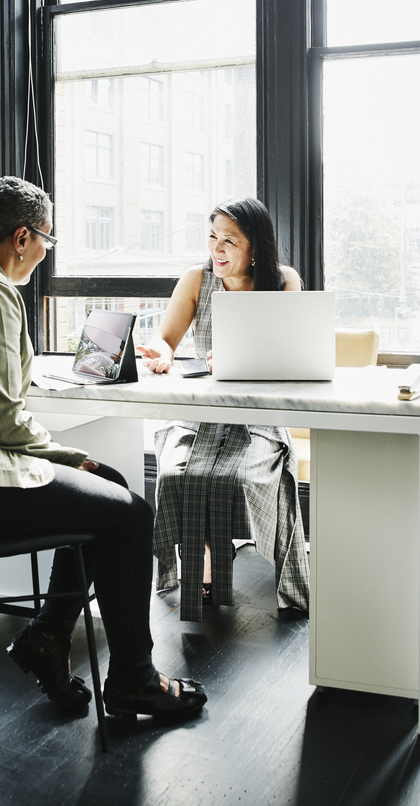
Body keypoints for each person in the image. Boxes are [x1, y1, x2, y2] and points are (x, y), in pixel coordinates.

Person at [0, 176, 205, 719]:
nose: (44, 255)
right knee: (129, 515)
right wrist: (66, 456)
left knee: (113, 488)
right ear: (23, 237)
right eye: (47, 243)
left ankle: (50, 637)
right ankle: (133, 680)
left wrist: (60, 456)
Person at [139, 197, 311, 623]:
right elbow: (167, 338)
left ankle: (222, 568)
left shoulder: (283, 281)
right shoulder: (197, 279)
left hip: (257, 415)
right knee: (179, 473)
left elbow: (292, 352)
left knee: (236, 476)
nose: (217, 248)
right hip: (202, 411)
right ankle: (202, 571)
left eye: (230, 241)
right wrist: (159, 353)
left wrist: (240, 355)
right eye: (213, 237)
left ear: (256, 247)